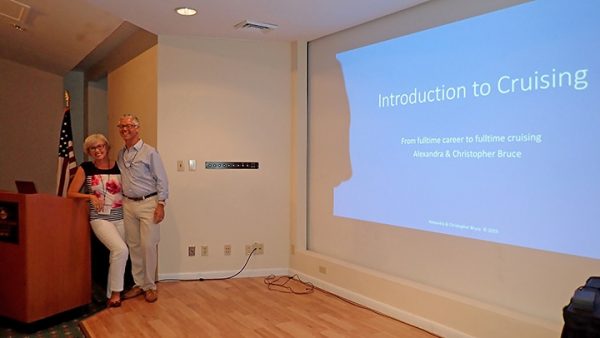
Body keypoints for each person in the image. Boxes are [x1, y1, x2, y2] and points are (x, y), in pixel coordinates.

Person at [68, 134, 127, 308]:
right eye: (93, 148)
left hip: (121, 217)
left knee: (116, 255)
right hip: (100, 218)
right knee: (121, 250)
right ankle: (116, 293)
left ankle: (110, 292)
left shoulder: (119, 166)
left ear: (107, 147)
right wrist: (90, 196)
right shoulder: (85, 168)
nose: (98, 150)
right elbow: (70, 193)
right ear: (88, 152)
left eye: (101, 146)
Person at [117, 114, 169, 303]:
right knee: (134, 245)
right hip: (128, 204)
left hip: (149, 203)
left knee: (148, 245)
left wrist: (161, 204)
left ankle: (150, 286)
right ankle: (139, 284)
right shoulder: (121, 154)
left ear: (137, 128)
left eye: (129, 126)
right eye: (122, 126)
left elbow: (162, 179)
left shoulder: (150, 152)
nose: (125, 129)